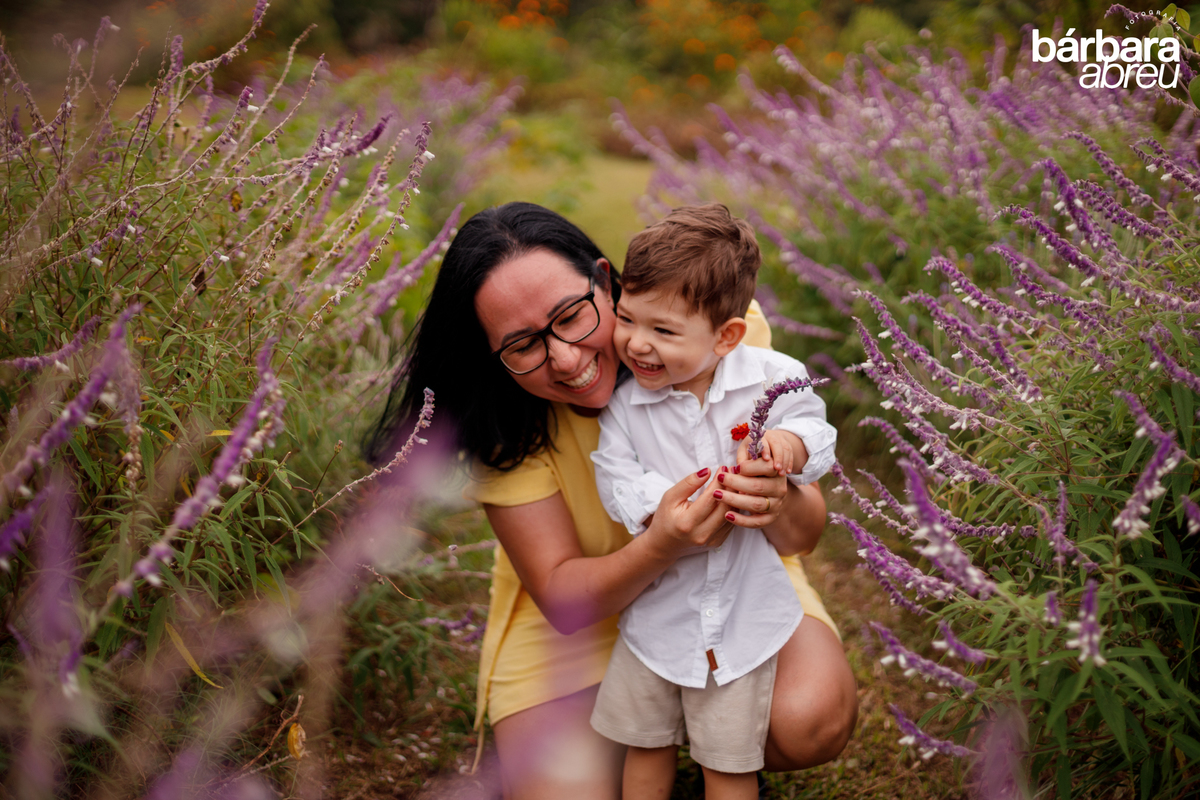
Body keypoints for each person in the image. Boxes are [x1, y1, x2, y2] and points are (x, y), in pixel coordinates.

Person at [364, 202, 857, 800]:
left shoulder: (710, 323)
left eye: (571, 316)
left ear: (604, 279)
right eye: (522, 345)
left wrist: (775, 496)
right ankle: (661, 732)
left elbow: (802, 536)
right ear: (491, 353)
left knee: (810, 720)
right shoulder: (499, 421)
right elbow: (566, 603)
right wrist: (662, 543)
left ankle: (706, 736)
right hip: (587, 614)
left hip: (732, 580)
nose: (567, 359)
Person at [588, 204, 837, 800]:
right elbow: (614, 471)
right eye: (627, 319)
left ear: (726, 335)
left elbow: (818, 431)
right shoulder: (627, 403)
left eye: (664, 331)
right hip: (656, 617)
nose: (636, 344)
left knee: (729, 760)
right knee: (644, 744)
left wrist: (788, 445)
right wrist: (659, 509)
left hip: (743, 615)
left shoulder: (772, 378)